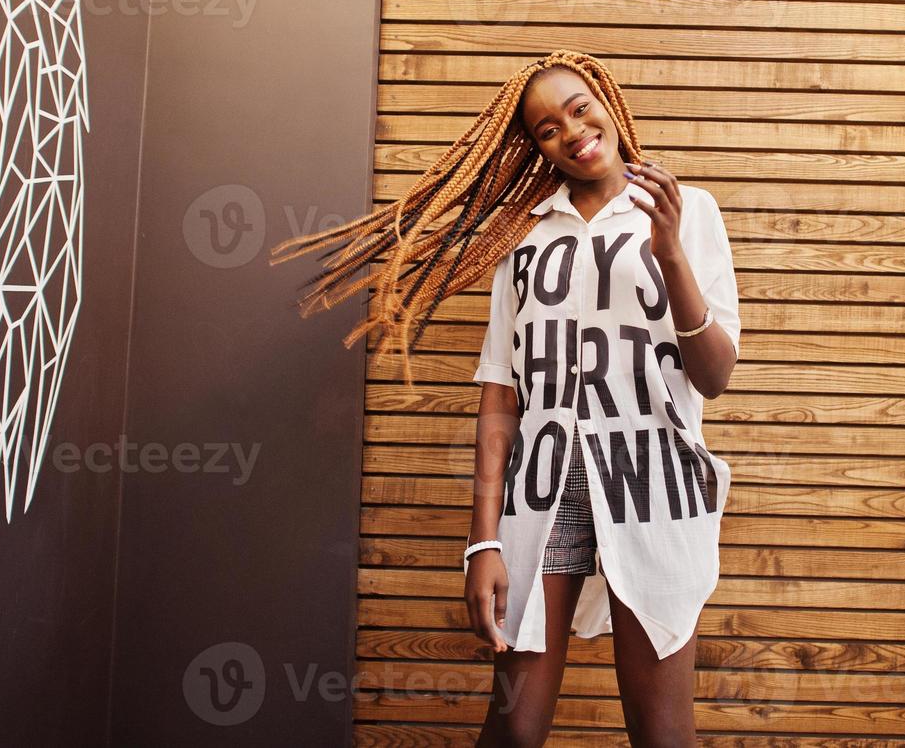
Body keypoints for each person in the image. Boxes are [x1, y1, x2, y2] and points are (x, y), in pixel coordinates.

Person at [269, 50, 741, 746]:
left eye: (579, 107)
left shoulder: (685, 210)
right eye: (548, 128)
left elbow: (714, 375)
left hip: (653, 490)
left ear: (606, 101)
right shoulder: (522, 240)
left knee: (661, 733)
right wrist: (481, 541)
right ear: (534, 147)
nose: (572, 131)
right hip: (543, 496)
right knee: (515, 728)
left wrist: (668, 251)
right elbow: (499, 393)